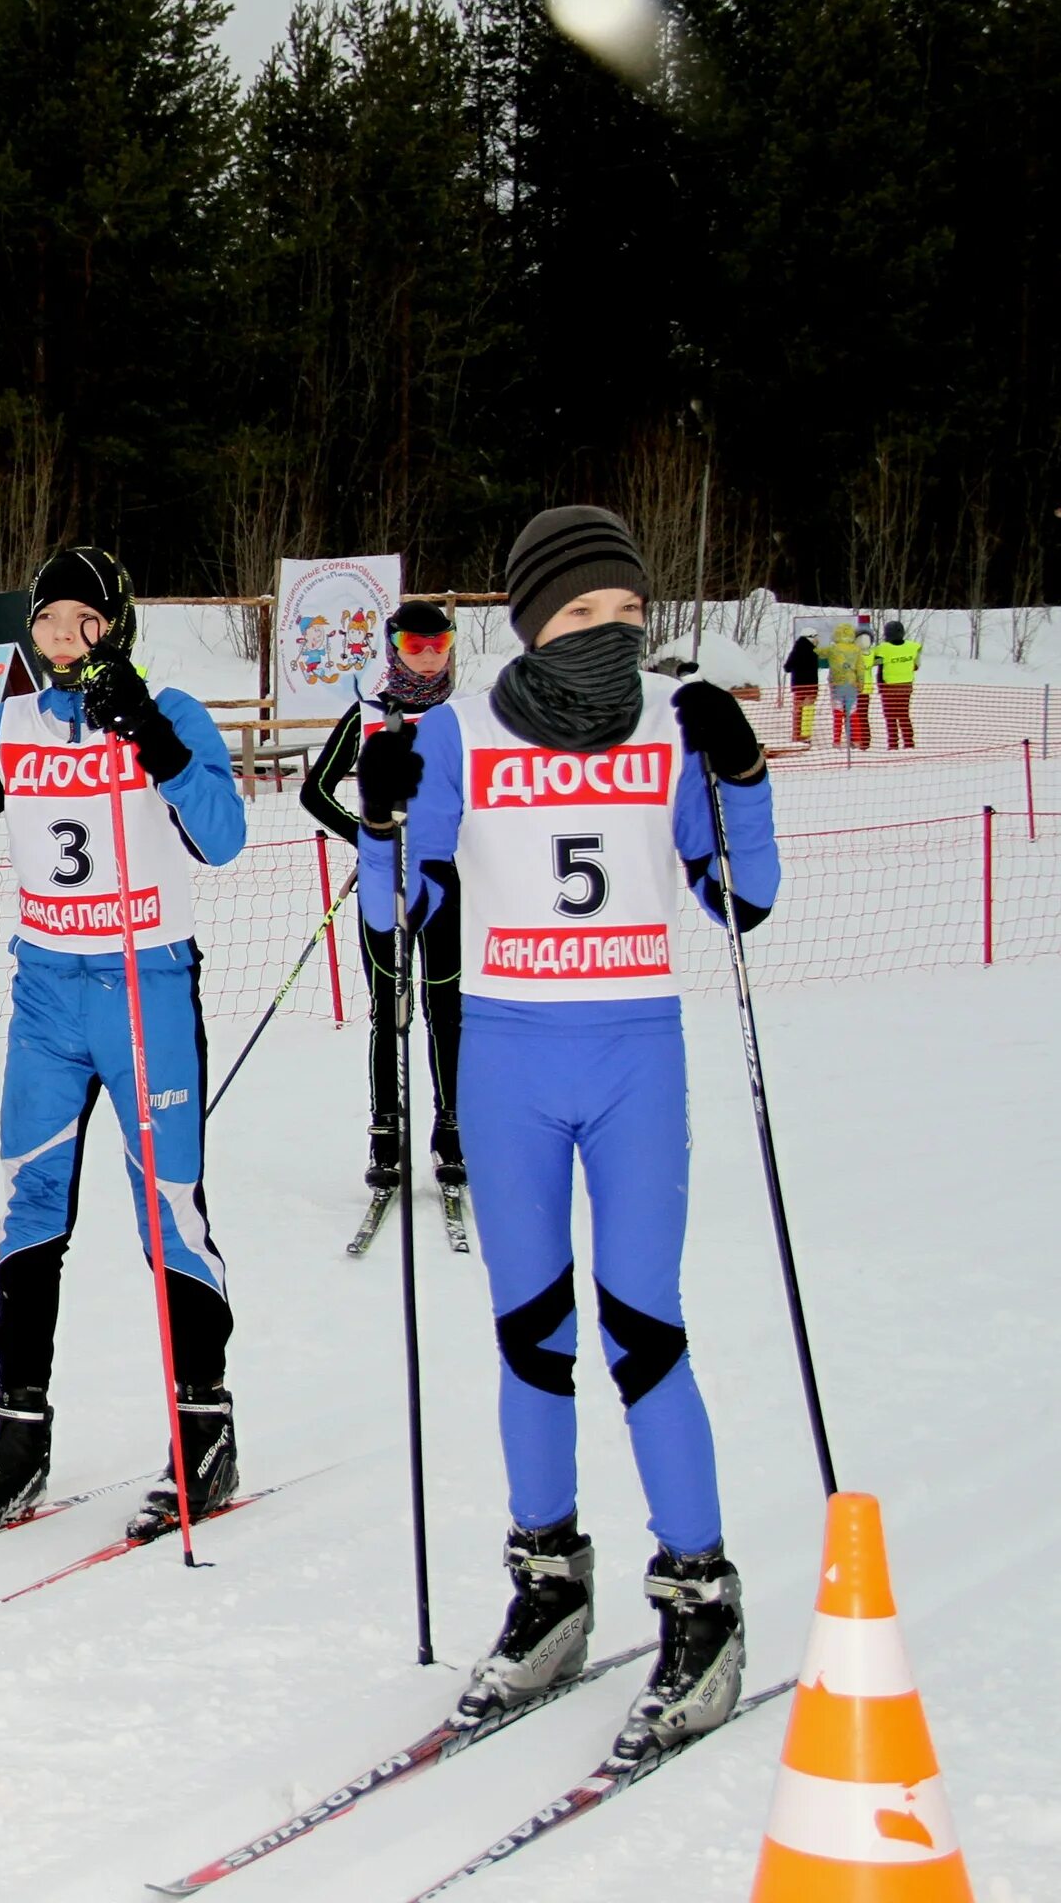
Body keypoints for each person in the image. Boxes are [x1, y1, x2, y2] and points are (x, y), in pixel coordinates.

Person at [355, 504, 779, 1766]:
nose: (614, 633)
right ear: (534, 618)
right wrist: (382, 819)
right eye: (587, 612)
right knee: (531, 1334)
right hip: (509, 1056)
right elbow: (398, 919)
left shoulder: (673, 719)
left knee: (644, 1326)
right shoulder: (460, 731)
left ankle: (699, 1595)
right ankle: (550, 1581)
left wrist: (741, 778)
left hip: (635, 1052)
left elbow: (740, 899)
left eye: (631, 613)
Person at [0, 547, 248, 1548]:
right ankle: (20, 1431)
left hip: (148, 985)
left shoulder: (168, 703)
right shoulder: (9, 724)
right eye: (48, 619)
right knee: (30, 1202)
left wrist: (156, 740)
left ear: (116, 627)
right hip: (46, 993)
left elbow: (222, 836)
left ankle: (204, 1426)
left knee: (170, 1205)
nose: (61, 636)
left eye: (84, 620)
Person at [302, 598, 464, 1197]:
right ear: (393, 648)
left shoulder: (464, 718)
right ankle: (385, 1133)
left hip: (443, 880)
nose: (427, 660)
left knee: (446, 1006)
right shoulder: (369, 714)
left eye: (438, 647)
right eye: (415, 647)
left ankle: (452, 1132)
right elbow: (316, 792)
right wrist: (370, 839)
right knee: (388, 1010)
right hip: (382, 884)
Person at [874, 620, 921, 748]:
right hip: (906, 687)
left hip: (888, 688)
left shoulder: (882, 649)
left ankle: (893, 744)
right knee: (904, 715)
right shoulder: (913, 647)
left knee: (890, 718)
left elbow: (874, 663)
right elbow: (916, 666)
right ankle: (909, 743)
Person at [823, 623, 871, 748]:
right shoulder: (856, 650)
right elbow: (860, 668)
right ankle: (857, 740)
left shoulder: (834, 649)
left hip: (837, 686)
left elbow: (833, 668)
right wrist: (861, 682)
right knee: (853, 714)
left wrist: (830, 681)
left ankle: (836, 741)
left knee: (838, 714)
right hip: (851, 685)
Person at [781, 633, 823, 744]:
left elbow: (787, 668)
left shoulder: (796, 651)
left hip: (798, 686)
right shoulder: (814, 652)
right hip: (812, 687)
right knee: (808, 713)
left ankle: (796, 736)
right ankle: (805, 737)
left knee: (798, 712)